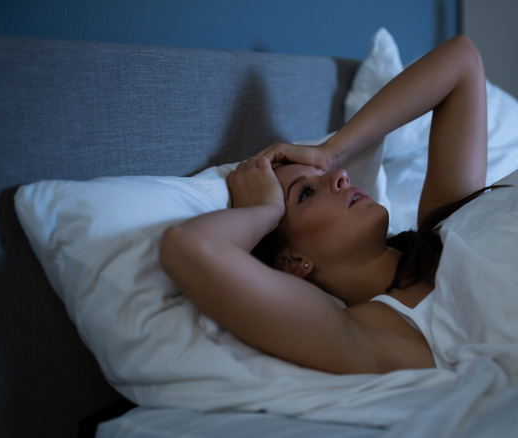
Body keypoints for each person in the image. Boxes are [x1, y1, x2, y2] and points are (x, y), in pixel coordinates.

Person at [159, 35, 495, 374]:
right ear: (294, 261)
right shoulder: (369, 331)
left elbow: (463, 59)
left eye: (327, 172)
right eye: (305, 194)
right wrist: (262, 212)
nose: (342, 177)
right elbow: (190, 247)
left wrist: (331, 151)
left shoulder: (446, 223)